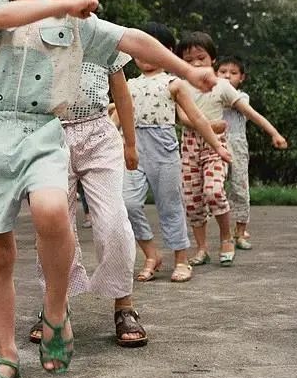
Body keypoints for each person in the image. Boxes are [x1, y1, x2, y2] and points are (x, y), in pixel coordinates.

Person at [0, 0, 216, 378]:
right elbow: (5, 18)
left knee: (54, 211)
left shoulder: (76, 23)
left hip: (43, 133)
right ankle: (6, 357)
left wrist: (187, 68)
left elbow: (133, 40)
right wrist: (63, 8)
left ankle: (57, 308)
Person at [31, 0, 220, 350]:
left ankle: (124, 304)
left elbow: (121, 91)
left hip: (99, 134)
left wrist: (130, 142)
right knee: (54, 226)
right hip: (50, 137)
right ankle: (55, 304)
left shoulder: (102, 33)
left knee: (115, 221)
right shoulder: (35, 28)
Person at [122, 23, 231, 284]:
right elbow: (118, 115)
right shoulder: (128, 84)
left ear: (166, 52)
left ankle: (181, 259)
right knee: (128, 203)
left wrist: (217, 145)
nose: (145, 58)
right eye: (139, 52)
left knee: (170, 206)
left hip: (163, 149)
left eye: (152, 52)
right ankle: (151, 255)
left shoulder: (175, 83)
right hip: (134, 148)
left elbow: (196, 117)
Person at [176, 32, 287, 267]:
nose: (195, 63)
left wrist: (274, 132)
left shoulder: (222, 86)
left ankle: (227, 238)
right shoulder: (179, 86)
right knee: (193, 201)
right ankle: (202, 248)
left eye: (201, 57)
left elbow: (250, 112)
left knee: (214, 191)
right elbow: (183, 117)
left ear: (212, 60)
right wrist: (209, 124)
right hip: (189, 147)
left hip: (216, 146)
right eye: (188, 59)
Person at [217, 55, 286, 250]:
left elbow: (235, 105)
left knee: (240, 188)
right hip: (215, 144)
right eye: (222, 72)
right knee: (216, 189)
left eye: (233, 73)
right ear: (215, 73)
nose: (227, 76)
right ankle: (226, 231)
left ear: (242, 78)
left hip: (237, 145)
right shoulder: (209, 95)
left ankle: (240, 232)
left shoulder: (242, 97)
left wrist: (274, 133)